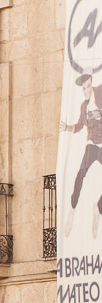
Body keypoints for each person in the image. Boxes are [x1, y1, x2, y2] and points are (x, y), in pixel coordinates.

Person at [63, 73, 102, 238]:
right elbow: (79, 126)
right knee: (80, 175)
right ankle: (72, 208)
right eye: (83, 88)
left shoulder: (100, 92)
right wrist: (67, 127)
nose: (85, 91)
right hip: (91, 146)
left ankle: (98, 209)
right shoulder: (83, 106)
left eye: (86, 86)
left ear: (91, 83)